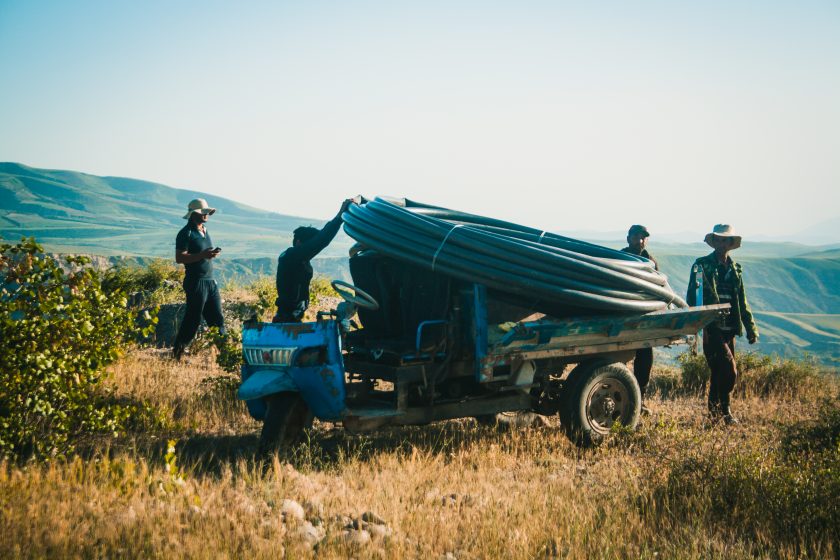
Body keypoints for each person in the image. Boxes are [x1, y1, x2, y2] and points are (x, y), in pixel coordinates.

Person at [687, 224, 759, 425]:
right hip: (712, 327)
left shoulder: (735, 269)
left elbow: (742, 301)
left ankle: (714, 415)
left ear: (730, 243)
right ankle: (725, 411)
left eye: (724, 240)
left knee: (719, 372)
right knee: (730, 370)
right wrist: (695, 324)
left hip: (730, 328)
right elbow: (693, 296)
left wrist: (751, 328)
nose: (721, 244)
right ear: (714, 242)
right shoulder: (701, 265)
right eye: (717, 240)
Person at [273, 198, 356, 323]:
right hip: (285, 319)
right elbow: (320, 241)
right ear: (299, 243)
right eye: (310, 245)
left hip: (293, 318)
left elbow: (320, 239)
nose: (314, 251)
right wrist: (339, 217)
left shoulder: (300, 260)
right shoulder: (291, 256)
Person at [172, 198, 225, 360]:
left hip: (210, 282)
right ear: (193, 214)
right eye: (203, 212)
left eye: (207, 212)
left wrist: (208, 255)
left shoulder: (205, 230)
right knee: (193, 319)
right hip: (195, 282)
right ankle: (177, 353)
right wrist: (203, 255)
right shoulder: (185, 233)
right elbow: (180, 258)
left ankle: (226, 355)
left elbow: (201, 255)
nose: (207, 215)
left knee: (217, 319)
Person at [621, 225, 658, 414]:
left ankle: (639, 400)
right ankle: (621, 396)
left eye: (644, 237)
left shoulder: (651, 262)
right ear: (628, 239)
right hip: (623, 316)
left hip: (644, 319)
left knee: (644, 359)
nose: (640, 241)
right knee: (619, 359)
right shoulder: (619, 257)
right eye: (636, 237)